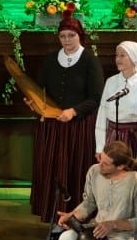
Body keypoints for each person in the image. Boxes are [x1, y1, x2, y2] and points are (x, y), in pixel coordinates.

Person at [30, 16, 104, 223]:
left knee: (74, 169)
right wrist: (34, 103)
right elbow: (39, 89)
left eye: (71, 35)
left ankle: (77, 216)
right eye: (62, 36)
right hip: (53, 127)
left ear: (80, 36)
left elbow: (96, 97)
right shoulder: (50, 59)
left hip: (79, 127)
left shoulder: (90, 60)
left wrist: (74, 111)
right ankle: (54, 216)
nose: (67, 40)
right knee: (53, 170)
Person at [94, 40, 137, 171]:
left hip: (132, 138)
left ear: (134, 57)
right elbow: (102, 113)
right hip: (112, 137)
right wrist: (100, 146)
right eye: (117, 55)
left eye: (122, 55)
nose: (118, 59)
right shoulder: (111, 82)